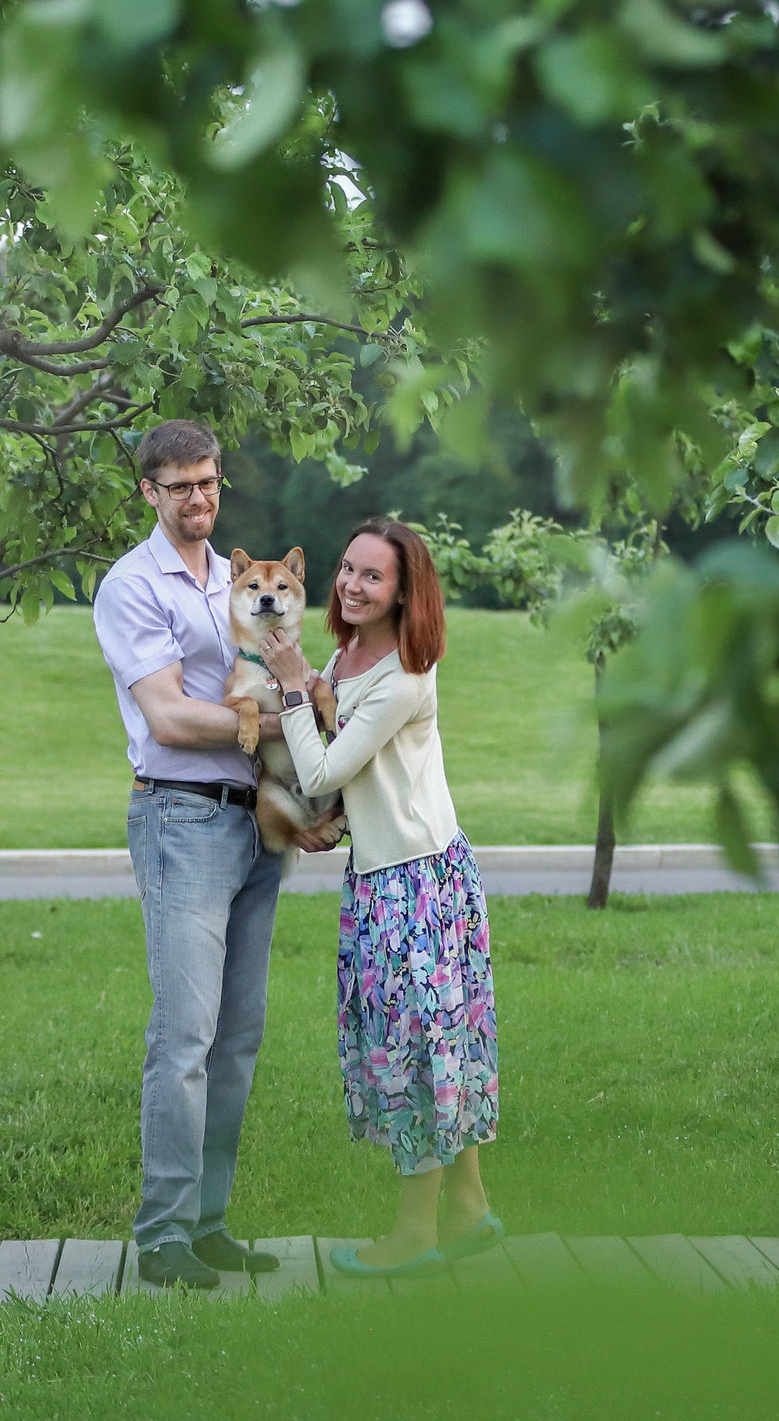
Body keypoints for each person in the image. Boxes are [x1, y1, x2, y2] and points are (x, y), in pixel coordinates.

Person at [91, 419, 336, 1290]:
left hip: (254, 821)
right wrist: (296, 721)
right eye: (181, 486)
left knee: (237, 1039)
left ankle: (208, 1223)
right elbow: (169, 718)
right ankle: (161, 1234)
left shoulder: (237, 579)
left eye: (210, 482)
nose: (199, 498)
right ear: (149, 493)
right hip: (182, 820)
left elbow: (289, 668)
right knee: (185, 1036)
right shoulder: (132, 586)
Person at [256, 516, 502, 1275]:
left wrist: (296, 683)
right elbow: (345, 782)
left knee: (417, 1054)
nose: (353, 585)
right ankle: (468, 1211)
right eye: (348, 569)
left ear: (404, 590)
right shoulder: (350, 654)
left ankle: (415, 1233)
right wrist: (320, 823)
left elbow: (328, 765)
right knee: (429, 1046)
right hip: (382, 876)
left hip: (417, 887)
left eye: (374, 576)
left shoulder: (403, 673)